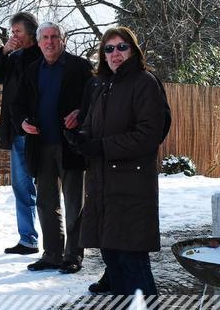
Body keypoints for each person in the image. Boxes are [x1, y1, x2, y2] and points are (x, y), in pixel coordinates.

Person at [74, 26, 168, 296]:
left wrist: (102, 147)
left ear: (133, 50)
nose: (115, 54)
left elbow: (149, 135)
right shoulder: (103, 85)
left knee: (131, 259)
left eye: (121, 47)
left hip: (131, 186)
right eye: (109, 49)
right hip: (102, 185)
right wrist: (80, 139)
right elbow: (90, 124)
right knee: (112, 255)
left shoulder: (145, 82)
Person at [12, 22, 92, 274]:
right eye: (45, 37)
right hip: (40, 146)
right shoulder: (32, 70)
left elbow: (95, 100)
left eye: (54, 37)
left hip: (72, 146)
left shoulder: (80, 67)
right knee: (46, 203)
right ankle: (52, 254)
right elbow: (17, 104)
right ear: (38, 43)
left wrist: (81, 113)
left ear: (63, 40)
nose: (49, 42)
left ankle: (73, 255)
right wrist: (23, 122)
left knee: (74, 204)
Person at [0, 12, 42, 255]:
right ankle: (27, 239)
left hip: (43, 132)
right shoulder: (13, 57)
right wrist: (3, 52)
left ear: (31, 31)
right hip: (17, 132)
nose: (14, 36)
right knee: (21, 188)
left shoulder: (44, 54)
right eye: (12, 32)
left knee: (47, 190)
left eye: (18, 31)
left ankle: (56, 244)